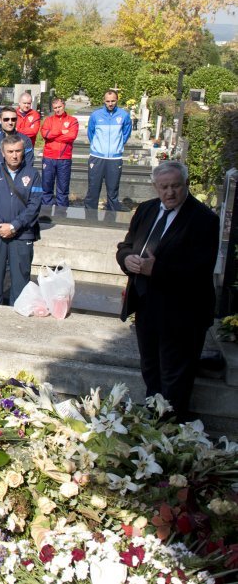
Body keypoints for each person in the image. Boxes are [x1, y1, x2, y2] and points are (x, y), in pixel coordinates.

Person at [116, 161, 218, 421]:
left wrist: (156, 269)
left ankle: (171, 430)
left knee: (174, 379)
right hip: (147, 306)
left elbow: (199, 268)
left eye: (175, 186)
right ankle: (152, 424)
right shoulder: (147, 210)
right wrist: (127, 259)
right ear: (155, 187)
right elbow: (126, 245)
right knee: (150, 370)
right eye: (164, 187)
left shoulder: (203, 219)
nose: (169, 193)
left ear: (186, 185)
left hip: (183, 314)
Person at [0, 134, 43, 306]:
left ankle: (18, 315)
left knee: (21, 280)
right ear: (2, 153)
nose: (14, 155)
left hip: (22, 235)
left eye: (18, 151)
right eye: (10, 151)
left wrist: (15, 226)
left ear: (24, 152)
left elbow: (34, 205)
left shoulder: (33, 174)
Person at [86, 90, 133, 211]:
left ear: (117, 100)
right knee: (93, 188)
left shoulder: (124, 115)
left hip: (114, 158)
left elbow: (126, 133)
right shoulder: (96, 115)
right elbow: (91, 133)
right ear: (104, 101)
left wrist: (117, 146)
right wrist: (98, 147)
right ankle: (90, 214)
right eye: (108, 101)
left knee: (113, 189)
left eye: (113, 101)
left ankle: (112, 214)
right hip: (97, 157)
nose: (110, 103)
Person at [40, 97, 78, 207]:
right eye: (55, 108)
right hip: (49, 157)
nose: (57, 110)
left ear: (64, 105)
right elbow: (45, 135)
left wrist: (53, 136)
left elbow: (71, 136)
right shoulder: (48, 120)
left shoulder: (72, 120)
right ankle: (46, 208)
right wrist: (61, 131)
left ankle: (62, 210)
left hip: (64, 158)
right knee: (46, 185)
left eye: (59, 107)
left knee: (63, 187)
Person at [0, 106, 34, 171]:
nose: (10, 122)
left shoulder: (25, 140)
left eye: (13, 119)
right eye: (6, 119)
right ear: (0, 120)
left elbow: (29, 166)